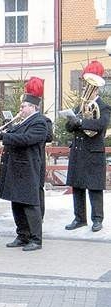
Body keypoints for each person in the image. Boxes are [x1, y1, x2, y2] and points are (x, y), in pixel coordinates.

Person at [0, 77, 48, 251]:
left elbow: (27, 139)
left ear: (33, 107)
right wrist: (1, 133)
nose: (21, 109)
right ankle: (22, 235)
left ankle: (36, 239)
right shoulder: (23, 121)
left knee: (30, 204)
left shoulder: (39, 122)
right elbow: (15, 134)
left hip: (28, 168)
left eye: (23, 106)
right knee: (16, 202)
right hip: (17, 168)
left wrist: (4, 137)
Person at [65, 60, 111, 232]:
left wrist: (81, 122)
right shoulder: (80, 106)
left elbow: (101, 125)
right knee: (77, 187)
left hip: (93, 152)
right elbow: (69, 127)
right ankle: (80, 218)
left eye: (89, 87)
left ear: (96, 89)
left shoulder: (103, 106)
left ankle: (97, 219)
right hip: (78, 152)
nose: (86, 89)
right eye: (85, 86)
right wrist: (73, 121)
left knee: (94, 187)